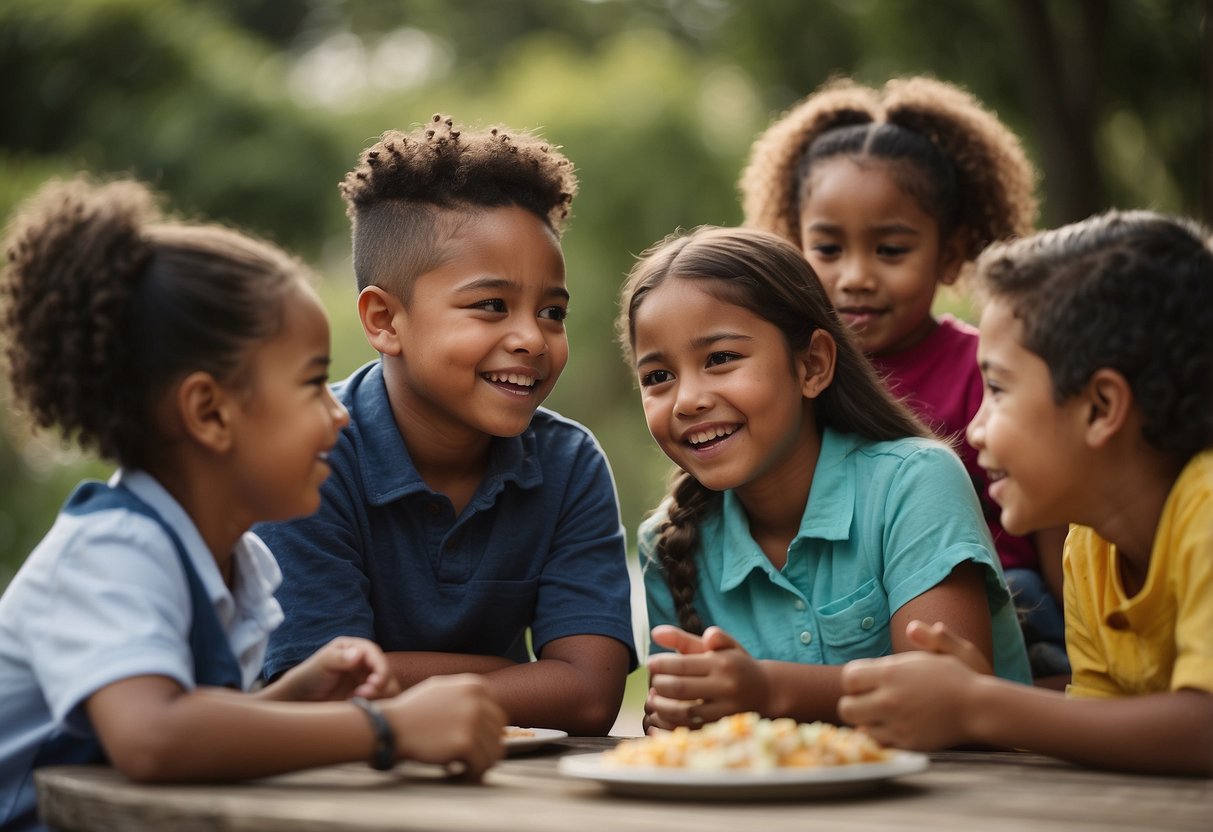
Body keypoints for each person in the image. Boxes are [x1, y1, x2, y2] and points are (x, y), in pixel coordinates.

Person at [0, 177, 508, 831]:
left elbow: (204, 726)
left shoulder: (239, 561)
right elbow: (155, 738)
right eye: (310, 384)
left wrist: (298, 697)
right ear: (210, 412)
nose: (338, 415)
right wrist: (384, 727)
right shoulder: (112, 552)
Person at [256, 115, 636, 735]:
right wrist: (520, 675)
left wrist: (400, 678)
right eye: (491, 305)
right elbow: (318, 687)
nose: (531, 339)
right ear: (384, 320)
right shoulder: (306, 452)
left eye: (552, 311)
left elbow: (592, 696)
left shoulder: (569, 464)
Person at [838, 210, 1213, 775]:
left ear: (1101, 407)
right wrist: (980, 697)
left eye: (997, 388)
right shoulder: (1090, 546)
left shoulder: (1205, 510)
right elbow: (1106, 730)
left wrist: (983, 705)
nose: (977, 428)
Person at [617, 225, 1030, 732]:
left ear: (812, 365)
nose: (686, 400)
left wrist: (764, 691)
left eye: (721, 359)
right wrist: (679, 714)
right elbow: (688, 723)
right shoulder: (668, 544)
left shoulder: (914, 483)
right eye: (658, 376)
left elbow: (944, 686)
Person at [740, 76, 1069, 679]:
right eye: (829, 248)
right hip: (843, 609)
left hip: (1000, 613)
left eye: (890, 250)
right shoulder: (789, 374)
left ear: (950, 253)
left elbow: (1054, 517)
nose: (856, 276)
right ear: (793, 245)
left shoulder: (985, 369)